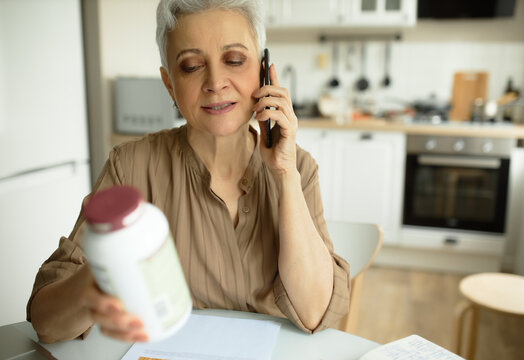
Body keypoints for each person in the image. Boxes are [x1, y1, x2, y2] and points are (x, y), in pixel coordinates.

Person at [27, 0, 350, 343]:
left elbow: (315, 311)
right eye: (192, 66)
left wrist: (285, 174)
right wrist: (102, 275)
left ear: (264, 71)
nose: (215, 81)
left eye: (235, 60)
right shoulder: (131, 167)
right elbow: (47, 324)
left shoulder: (298, 167)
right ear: (169, 85)